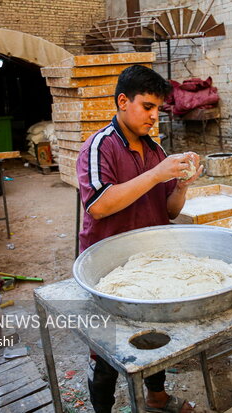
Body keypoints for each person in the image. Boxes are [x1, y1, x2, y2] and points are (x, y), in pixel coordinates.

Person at [76, 64, 201, 413]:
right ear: (122, 101)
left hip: (151, 259)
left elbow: (170, 211)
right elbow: (100, 206)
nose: (153, 116)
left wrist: (180, 185)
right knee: (106, 345)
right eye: (147, 106)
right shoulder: (100, 146)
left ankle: (157, 398)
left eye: (157, 108)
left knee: (152, 333)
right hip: (109, 265)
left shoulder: (155, 151)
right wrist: (156, 174)